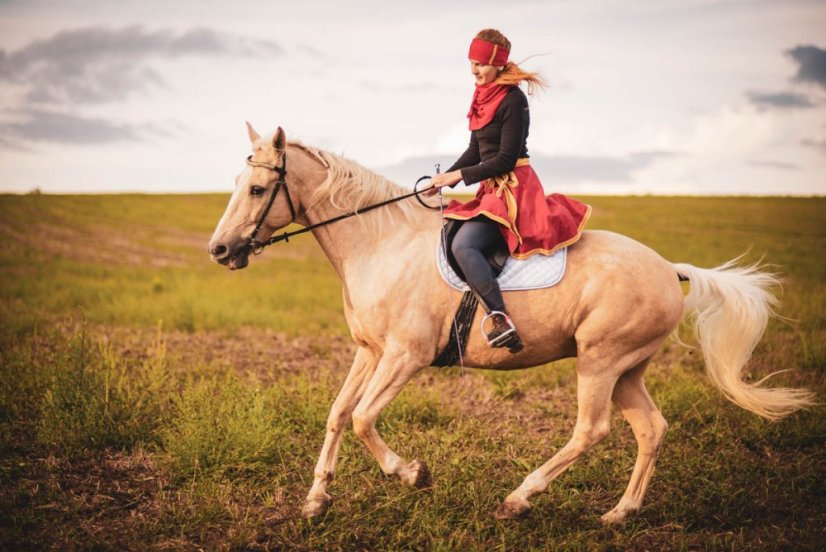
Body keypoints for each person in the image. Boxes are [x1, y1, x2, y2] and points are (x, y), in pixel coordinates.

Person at [429, 28, 591, 353]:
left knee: (465, 246)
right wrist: (445, 178)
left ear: (498, 64)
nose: (474, 71)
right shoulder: (481, 94)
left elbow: (504, 159)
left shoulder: (513, 99)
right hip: (489, 189)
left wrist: (459, 175)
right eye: (471, 63)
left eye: (481, 64)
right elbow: (476, 150)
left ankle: (500, 318)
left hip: (514, 190)